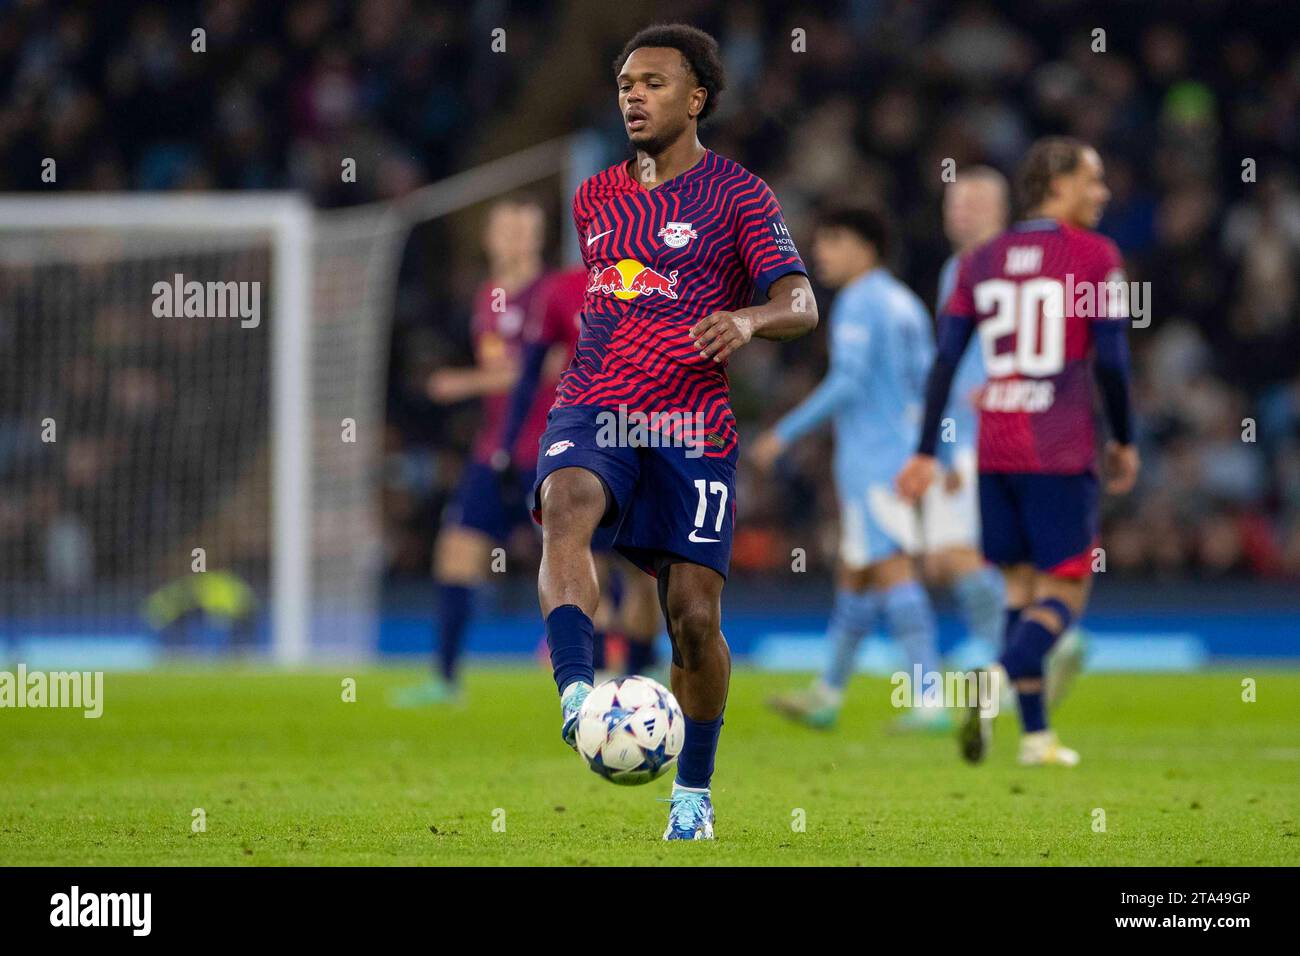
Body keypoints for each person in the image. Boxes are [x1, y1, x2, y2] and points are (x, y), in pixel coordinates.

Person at [531, 24, 817, 840]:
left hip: (691, 423)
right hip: (597, 402)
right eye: (626, 83)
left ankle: (693, 791)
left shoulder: (740, 196)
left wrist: (749, 319)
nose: (634, 95)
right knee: (566, 501)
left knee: (692, 616)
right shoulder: (594, 198)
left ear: (696, 99)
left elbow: (802, 304)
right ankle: (580, 694)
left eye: (653, 83)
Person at [897, 137, 1140, 767]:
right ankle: (992, 680)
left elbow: (945, 362)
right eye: (1094, 180)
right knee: (1067, 594)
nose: (1104, 193)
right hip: (1060, 447)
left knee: (1017, 594)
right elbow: (1111, 361)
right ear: (1058, 183)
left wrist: (926, 449)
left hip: (995, 448)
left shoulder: (983, 260)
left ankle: (1036, 738)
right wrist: (1124, 438)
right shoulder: (1095, 256)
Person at [752, 205, 945, 733]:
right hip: (901, 451)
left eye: (832, 240)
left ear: (864, 247)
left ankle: (931, 699)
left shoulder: (860, 303)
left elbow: (848, 382)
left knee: (891, 569)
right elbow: (931, 382)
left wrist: (782, 433)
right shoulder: (905, 303)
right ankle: (828, 692)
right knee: (857, 576)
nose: (820, 253)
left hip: (875, 459)